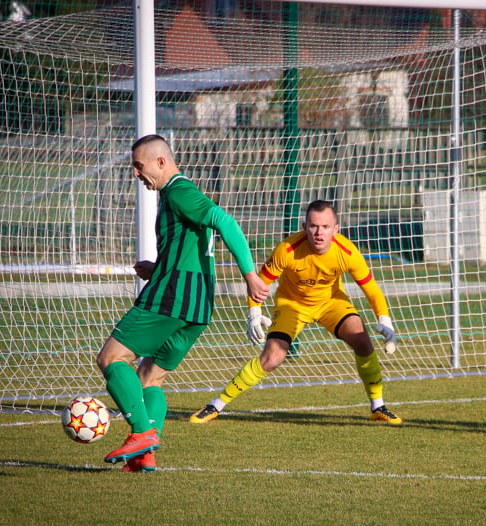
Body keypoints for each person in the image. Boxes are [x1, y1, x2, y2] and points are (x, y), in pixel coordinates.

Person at [96, 134, 270, 472]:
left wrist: (250, 275)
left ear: (160, 162)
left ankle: (142, 432)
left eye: (139, 165)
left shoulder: (179, 191)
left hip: (172, 296)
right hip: (197, 304)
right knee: (150, 377)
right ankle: (146, 454)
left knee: (111, 357)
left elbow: (226, 222)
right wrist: (156, 268)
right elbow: (191, 247)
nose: (136, 173)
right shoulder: (173, 195)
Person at [190, 200, 402, 425]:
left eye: (325, 227)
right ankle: (216, 405)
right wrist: (254, 312)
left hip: (331, 303)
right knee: (272, 358)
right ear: (304, 226)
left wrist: (384, 319)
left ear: (336, 229)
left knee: (362, 340)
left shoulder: (347, 252)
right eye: (313, 226)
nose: (319, 233)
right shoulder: (288, 249)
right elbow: (259, 283)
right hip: (292, 304)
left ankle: (378, 407)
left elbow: (371, 289)